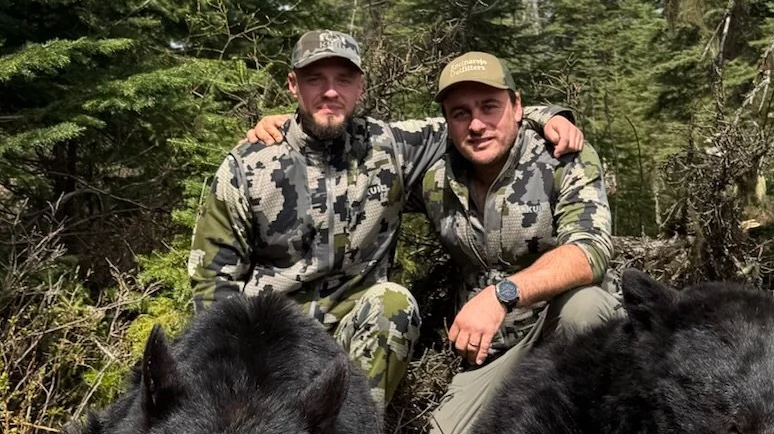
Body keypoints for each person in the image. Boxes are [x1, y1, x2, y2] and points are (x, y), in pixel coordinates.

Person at [188, 31, 582, 410]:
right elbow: (213, 285)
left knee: (393, 303)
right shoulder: (249, 164)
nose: (330, 91)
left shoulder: (389, 146)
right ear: (293, 85)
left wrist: (544, 116)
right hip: (270, 348)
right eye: (315, 80)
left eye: (343, 79)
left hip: (354, 342)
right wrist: (236, 371)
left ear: (360, 86)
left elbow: (475, 122)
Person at [415, 51, 619, 434]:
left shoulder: (562, 157)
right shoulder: (435, 175)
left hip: (553, 327)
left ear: (517, 106)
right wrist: (291, 124)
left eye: (490, 107)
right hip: (493, 354)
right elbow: (364, 140)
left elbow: (590, 249)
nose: (476, 124)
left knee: (588, 308)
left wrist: (502, 295)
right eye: (460, 113)